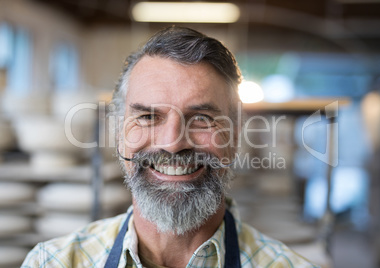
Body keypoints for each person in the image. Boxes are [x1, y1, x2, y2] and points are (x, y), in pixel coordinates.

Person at [22, 26, 318, 268]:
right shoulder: (51, 263)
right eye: (148, 117)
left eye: (202, 118)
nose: (173, 144)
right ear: (118, 132)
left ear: (236, 135)